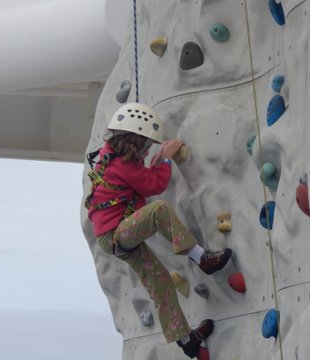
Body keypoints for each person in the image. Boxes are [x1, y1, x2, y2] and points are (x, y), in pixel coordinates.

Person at [86, 102, 233, 358]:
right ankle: (201, 258)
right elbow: (154, 185)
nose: (146, 150)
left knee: (160, 281)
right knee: (159, 211)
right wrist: (165, 158)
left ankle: (187, 340)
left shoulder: (109, 155)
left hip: (110, 237)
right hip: (116, 235)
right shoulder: (123, 165)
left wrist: (155, 160)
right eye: (145, 144)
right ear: (134, 141)